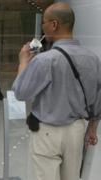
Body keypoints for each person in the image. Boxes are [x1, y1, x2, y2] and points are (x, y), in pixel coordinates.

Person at [12, 2, 101, 180]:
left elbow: (21, 92)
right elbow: (98, 98)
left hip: (47, 133)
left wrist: (23, 62)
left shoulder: (45, 60)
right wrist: (92, 128)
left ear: (54, 25)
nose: (42, 27)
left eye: (43, 23)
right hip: (76, 131)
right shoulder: (93, 59)